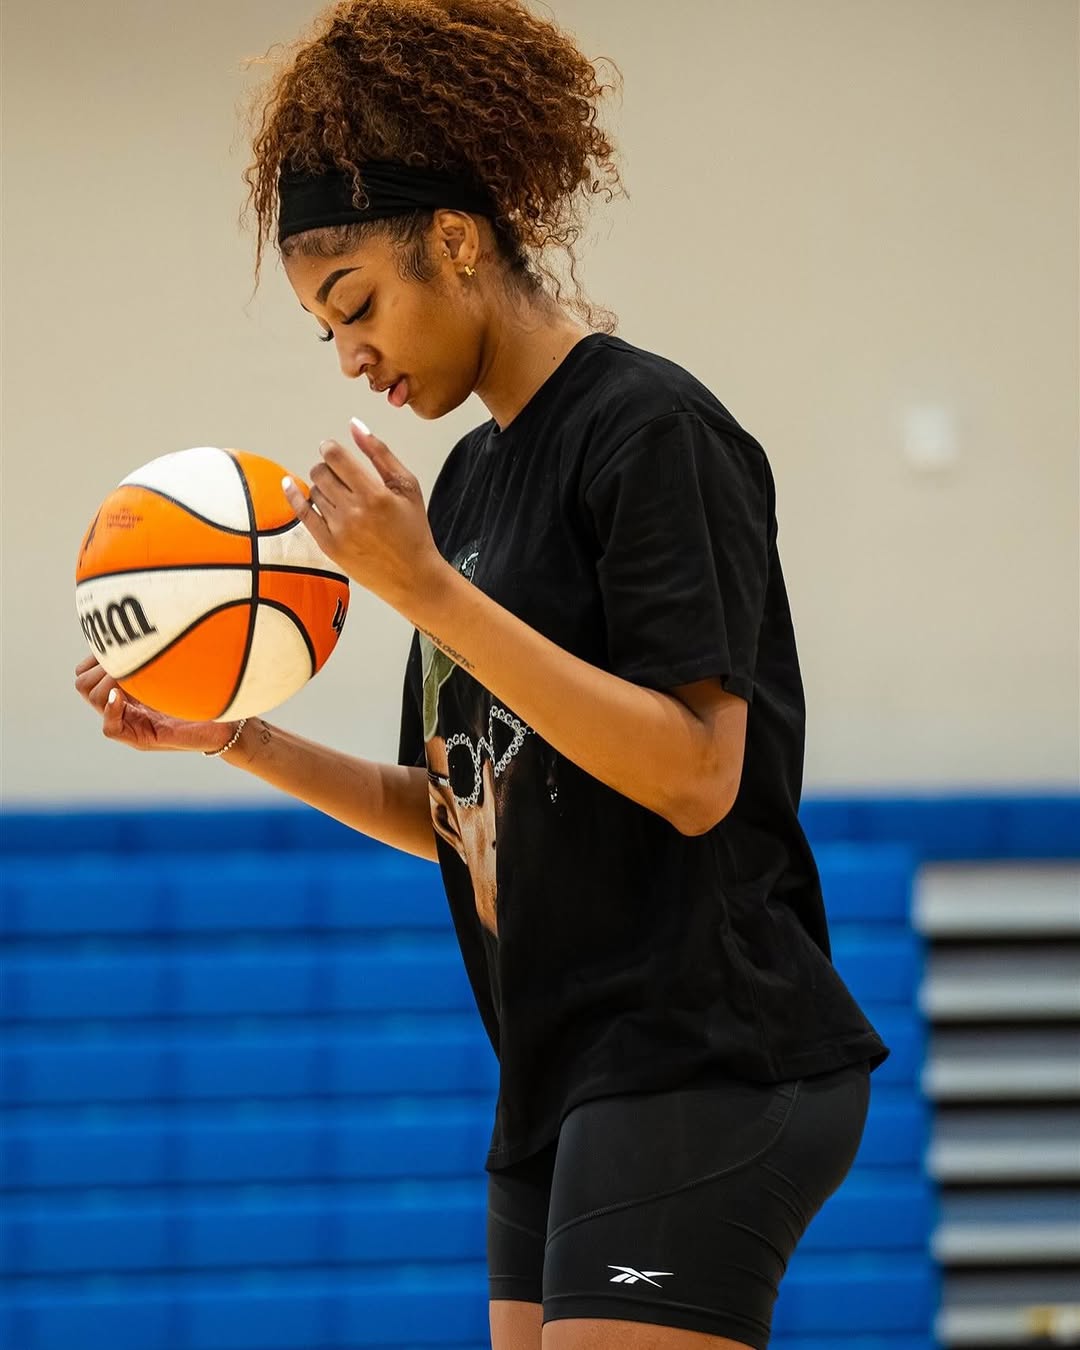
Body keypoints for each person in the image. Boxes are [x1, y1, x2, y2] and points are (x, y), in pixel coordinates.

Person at [75, 2, 890, 1347]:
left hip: (703, 1049)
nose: (351, 354)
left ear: (455, 240)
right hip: (555, 1068)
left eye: (357, 303)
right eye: (325, 330)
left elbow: (698, 774)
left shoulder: (652, 433)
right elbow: (459, 810)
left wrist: (429, 592)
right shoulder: (467, 484)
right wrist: (234, 735)